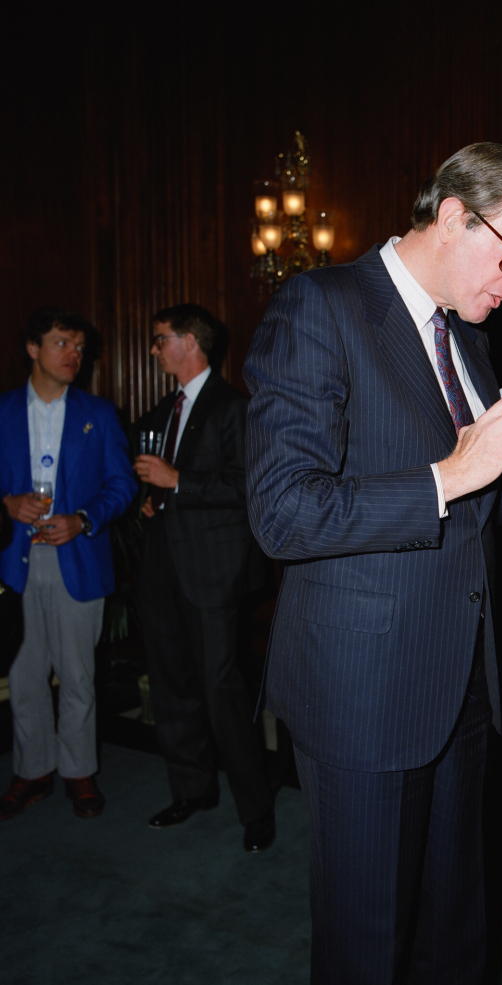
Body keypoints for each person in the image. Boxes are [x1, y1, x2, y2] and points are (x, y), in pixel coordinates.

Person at [243, 143, 502, 984]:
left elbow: (464, 509)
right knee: (370, 945)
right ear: (450, 215)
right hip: (363, 694)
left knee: (456, 933)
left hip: (462, 682)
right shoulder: (321, 306)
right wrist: (454, 474)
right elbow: (283, 514)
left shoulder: (465, 337)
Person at [135, 304, 275, 853]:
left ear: (190, 342)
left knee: (223, 692)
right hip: (163, 568)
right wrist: (155, 503)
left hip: (213, 573)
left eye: (159, 339)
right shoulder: (161, 412)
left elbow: (248, 486)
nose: (153, 349)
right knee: (172, 688)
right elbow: (165, 488)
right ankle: (193, 791)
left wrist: (179, 482)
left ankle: (256, 809)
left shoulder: (233, 408)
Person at [0, 308, 136, 821]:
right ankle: (33, 771)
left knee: (78, 676)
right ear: (33, 349)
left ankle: (78, 770)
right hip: (16, 561)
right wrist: (7, 506)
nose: (73, 355)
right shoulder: (4, 411)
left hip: (77, 557)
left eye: (78, 347)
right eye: (61, 344)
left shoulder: (98, 414)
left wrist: (82, 519)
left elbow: (122, 486)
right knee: (25, 673)